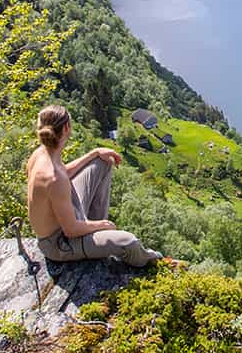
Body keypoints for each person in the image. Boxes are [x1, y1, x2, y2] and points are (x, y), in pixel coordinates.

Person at [26, 104, 162, 266]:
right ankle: (154, 261)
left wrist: (95, 153)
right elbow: (71, 230)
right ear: (67, 128)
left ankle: (95, 231)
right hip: (60, 243)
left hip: (67, 215)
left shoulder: (41, 153)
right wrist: (104, 225)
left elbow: (63, 174)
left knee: (102, 162)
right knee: (129, 242)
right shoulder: (54, 178)